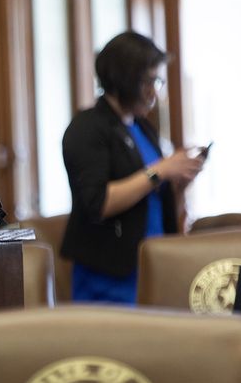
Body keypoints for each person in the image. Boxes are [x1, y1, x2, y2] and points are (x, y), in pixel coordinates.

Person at [60, 31, 204, 304]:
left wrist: (178, 184)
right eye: (150, 80)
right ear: (124, 77)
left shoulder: (142, 128)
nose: (156, 91)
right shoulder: (87, 127)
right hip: (108, 277)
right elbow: (97, 203)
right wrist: (161, 170)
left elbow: (156, 199)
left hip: (153, 268)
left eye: (158, 80)